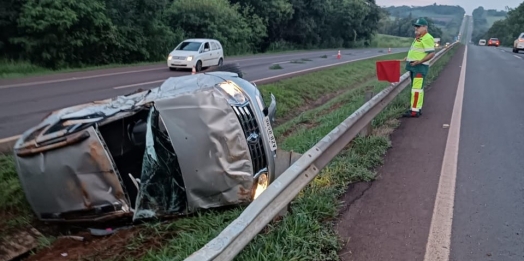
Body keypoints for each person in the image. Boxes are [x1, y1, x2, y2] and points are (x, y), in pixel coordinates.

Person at [403, 17, 435, 118]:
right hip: (414, 67)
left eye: (418, 26)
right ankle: (416, 108)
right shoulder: (419, 37)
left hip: (419, 68)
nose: (416, 28)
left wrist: (419, 61)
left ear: (425, 27)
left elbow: (431, 53)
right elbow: (417, 51)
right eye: (415, 26)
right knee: (416, 88)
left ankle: (414, 111)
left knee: (416, 89)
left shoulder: (427, 38)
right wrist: (408, 57)